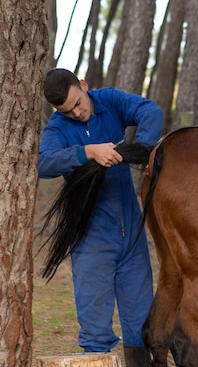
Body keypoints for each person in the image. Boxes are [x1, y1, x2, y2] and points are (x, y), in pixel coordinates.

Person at [38, 68, 164, 367]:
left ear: (83, 85)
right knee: (95, 329)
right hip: (91, 238)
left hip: (131, 233)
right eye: (67, 111)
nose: (78, 113)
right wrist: (87, 152)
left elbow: (151, 111)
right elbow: (43, 163)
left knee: (141, 322)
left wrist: (143, 149)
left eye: (78, 103)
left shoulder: (108, 100)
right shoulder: (57, 128)